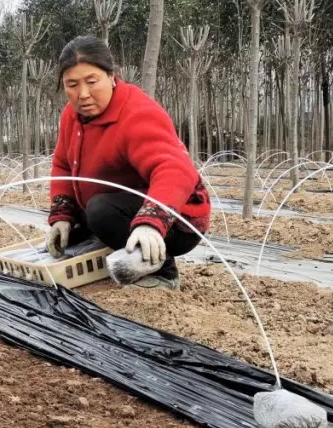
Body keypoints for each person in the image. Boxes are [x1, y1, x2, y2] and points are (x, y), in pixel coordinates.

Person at [45, 35, 210, 290]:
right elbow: (63, 165)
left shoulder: (136, 112)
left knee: (100, 210)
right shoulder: (72, 116)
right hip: (124, 203)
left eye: (92, 81)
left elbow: (175, 169)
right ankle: (115, 246)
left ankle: (163, 271)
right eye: (72, 84)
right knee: (80, 220)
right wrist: (62, 216)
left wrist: (151, 222)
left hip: (178, 218)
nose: (83, 94)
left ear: (111, 76)